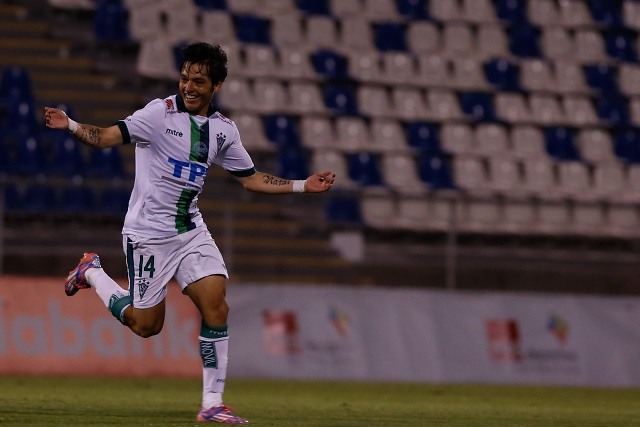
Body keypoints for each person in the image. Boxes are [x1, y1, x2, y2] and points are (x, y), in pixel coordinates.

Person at [44, 41, 335, 424]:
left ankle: (212, 404)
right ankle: (92, 272)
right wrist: (73, 126)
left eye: (198, 81)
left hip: (191, 229)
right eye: (184, 78)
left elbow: (251, 179)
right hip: (148, 234)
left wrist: (302, 185)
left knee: (216, 303)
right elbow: (107, 137)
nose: (188, 87)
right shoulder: (157, 115)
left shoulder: (223, 130)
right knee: (146, 326)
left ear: (217, 85)